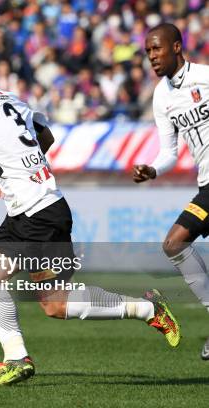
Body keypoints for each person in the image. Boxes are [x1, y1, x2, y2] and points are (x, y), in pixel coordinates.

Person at [0, 40, 180, 387]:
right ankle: (20, 356)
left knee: (52, 303)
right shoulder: (9, 98)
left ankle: (21, 357)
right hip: (35, 209)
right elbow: (47, 137)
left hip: (38, 214)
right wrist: (10, 172)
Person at [133, 23, 209, 360]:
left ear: (177, 47)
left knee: (174, 241)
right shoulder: (162, 96)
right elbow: (169, 151)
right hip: (206, 186)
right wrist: (153, 169)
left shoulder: (205, 78)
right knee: (174, 243)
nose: (152, 57)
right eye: (148, 51)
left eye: (157, 49)